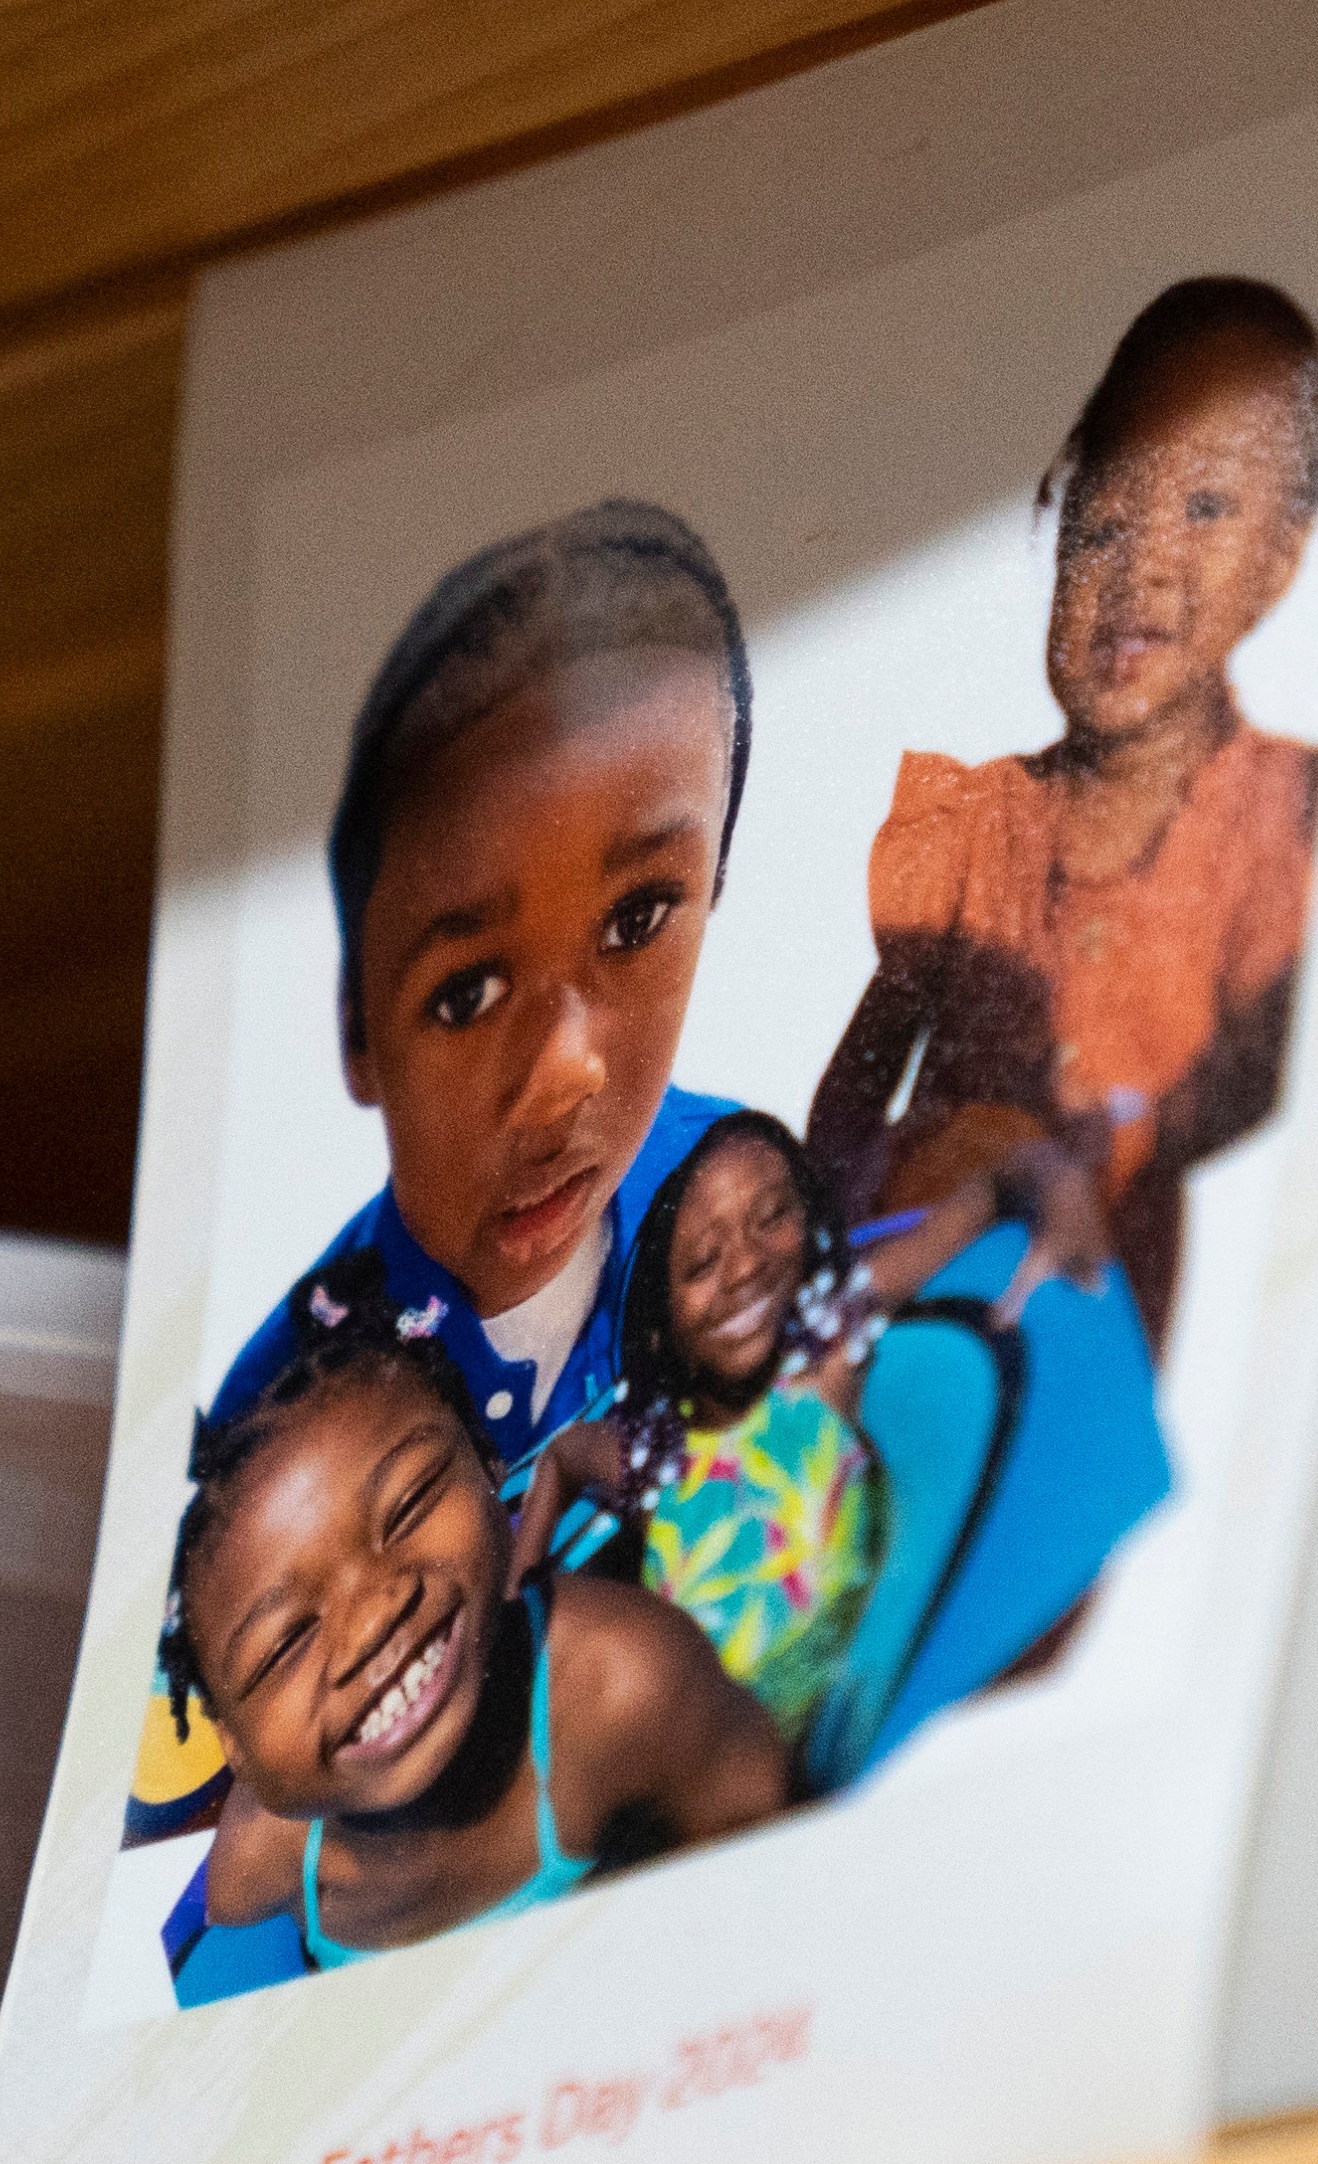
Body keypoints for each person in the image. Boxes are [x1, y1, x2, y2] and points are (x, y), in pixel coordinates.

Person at [809, 278, 1318, 1353]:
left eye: (1205, 508)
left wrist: (1114, 1135)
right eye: (1098, 526)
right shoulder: (974, 824)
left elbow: (1263, 1062)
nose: (1138, 563)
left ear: (1283, 555)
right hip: (897, 1287)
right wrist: (815, 1241)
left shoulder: (1277, 815)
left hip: (1084, 1306)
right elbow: (862, 1072)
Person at [213, 498, 758, 1469]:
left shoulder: (745, 1191)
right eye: (466, 993)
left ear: (714, 882)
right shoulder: (286, 1430)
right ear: (357, 1032)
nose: (564, 1072)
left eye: (637, 922)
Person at [156, 1267, 787, 1997]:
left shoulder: (625, 1685)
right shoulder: (260, 1866)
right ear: (235, 1744)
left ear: (489, 1466)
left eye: (410, 1503)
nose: (372, 1621)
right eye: (286, 1642)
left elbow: (774, 1899)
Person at [509, 1110, 1109, 1767]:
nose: (743, 1267)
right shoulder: (656, 1456)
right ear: (663, 1325)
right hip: (669, 1761)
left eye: (770, 1218)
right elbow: (563, 1458)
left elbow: (997, 1186)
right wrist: (519, 1591)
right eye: (702, 1263)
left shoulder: (824, 1352)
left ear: (809, 1224)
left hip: (781, 1760)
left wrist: (1057, 1184)